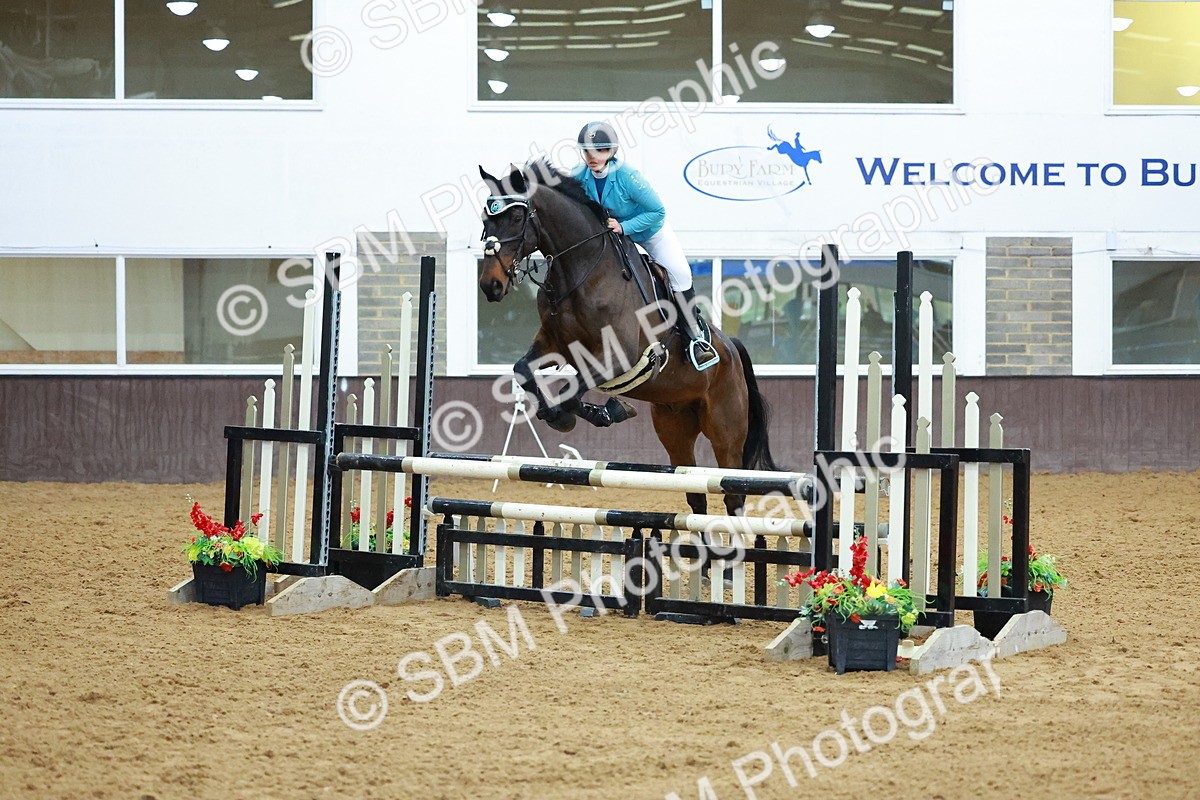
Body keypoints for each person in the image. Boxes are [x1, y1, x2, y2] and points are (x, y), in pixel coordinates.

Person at [570, 120, 719, 370]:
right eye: (587, 151)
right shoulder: (579, 175)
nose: (591, 157)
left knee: (681, 274)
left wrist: (625, 227)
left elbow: (657, 211)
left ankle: (694, 339)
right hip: (615, 239)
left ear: (611, 152)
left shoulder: (628, 177)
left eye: (598, 151)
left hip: (650, 233)